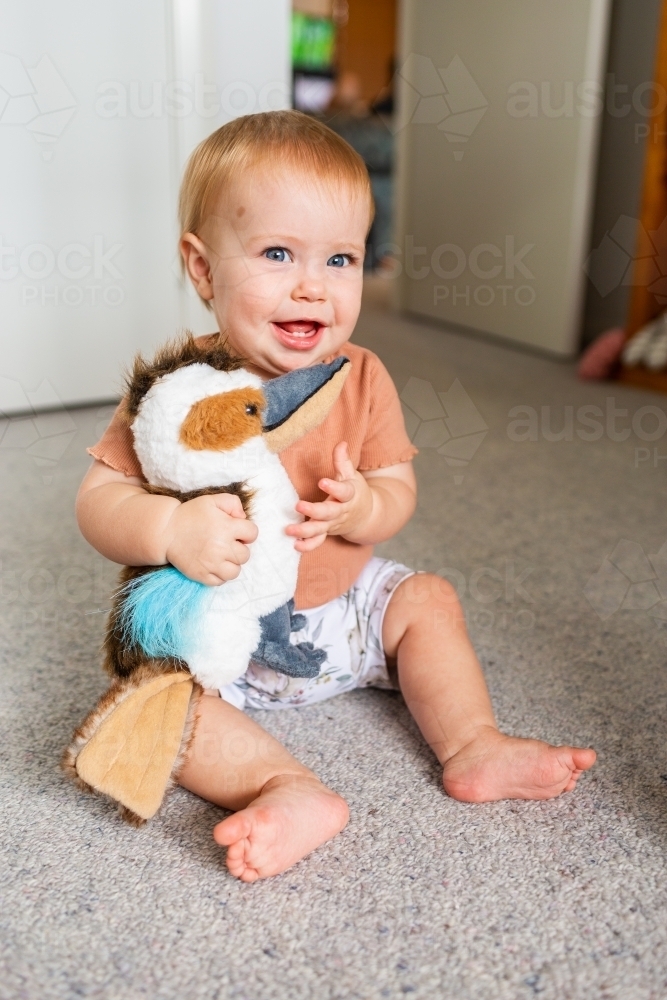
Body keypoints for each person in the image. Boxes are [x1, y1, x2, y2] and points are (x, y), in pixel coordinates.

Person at [76, 111, 596, 882]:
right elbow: (99, 501)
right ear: (202, 266)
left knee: (427, 599)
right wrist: (167, 528)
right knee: (156, 701)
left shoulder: (361, 375)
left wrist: (362, 508)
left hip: (344, 611)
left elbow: (397, 491)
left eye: (341, 258)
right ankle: (285, 787)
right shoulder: (178, 391)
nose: (313, 285)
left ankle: (472, 745)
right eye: (278, 253)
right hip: (232, 640)